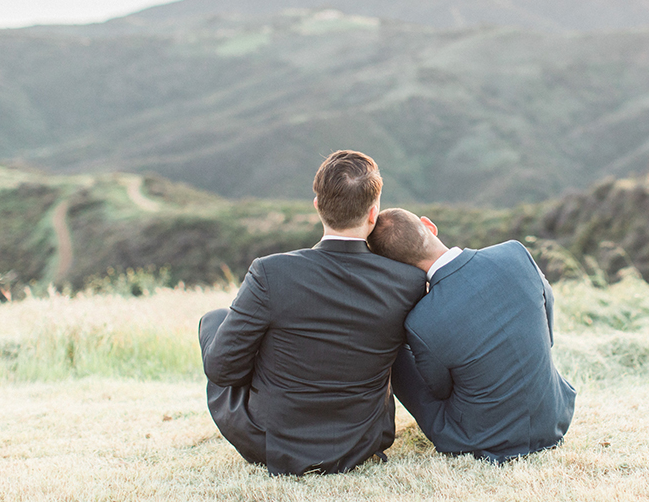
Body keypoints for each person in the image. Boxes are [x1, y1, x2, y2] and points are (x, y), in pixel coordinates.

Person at [198, 151, 427, 475]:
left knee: (214, 320)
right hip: (363, 440)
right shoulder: (409, 281)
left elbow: (222, 370)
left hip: (270, 441)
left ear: (318, 205)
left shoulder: (270, 272)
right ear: (373, 213)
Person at [367, 208, 576, 463]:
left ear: (395, 267)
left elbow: (440, 390)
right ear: (429, 225)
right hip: (555, 417)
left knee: (395, 347)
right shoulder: (515, 253)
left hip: (483, 437)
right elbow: (548, 327)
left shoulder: (422, 320)